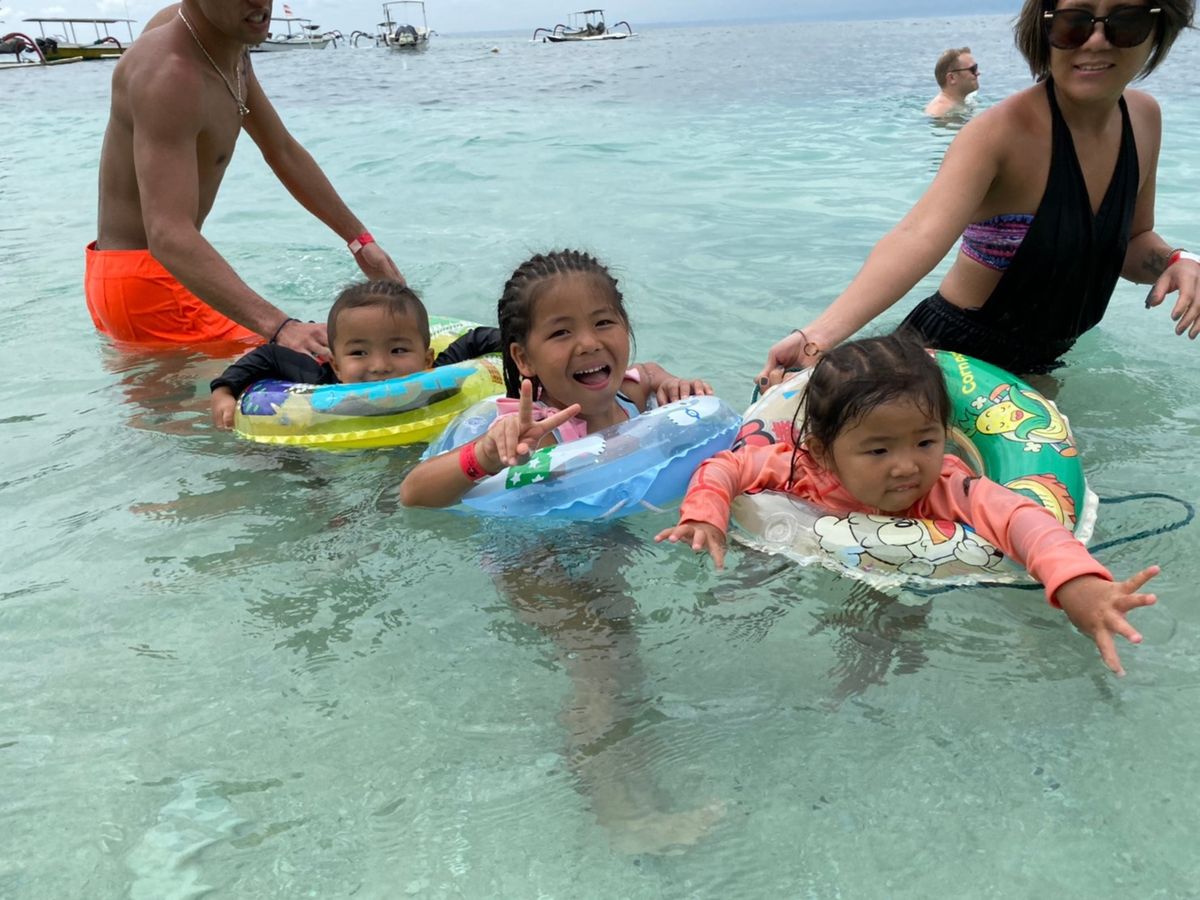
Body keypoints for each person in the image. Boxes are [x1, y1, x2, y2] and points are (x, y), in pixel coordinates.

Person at [665, 334, 1159, 676]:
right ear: (823, 451)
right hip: (798, 544)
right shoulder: (799, 467)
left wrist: (1076, 583)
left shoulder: (948, 485)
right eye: (879, 451)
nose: (906, 467)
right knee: (742, 594)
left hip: (908, 574)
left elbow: (1023, 520)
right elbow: (725, 467)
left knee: (894, 641)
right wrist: (705, 514)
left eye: (925, 442)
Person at [760, 0, 1199, 382]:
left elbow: (1131, 242)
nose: (1097, 41)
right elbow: (917, 236)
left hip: (1042, 362)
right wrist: (817, 337)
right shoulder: (999, 133)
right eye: (1073, 23)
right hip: (950, 361)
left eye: (1126, 22)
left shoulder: (1143, 119)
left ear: (1159, 29)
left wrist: (1178, 261)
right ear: (1043, 30)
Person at [86, 1, 403, 355]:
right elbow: (167, 235)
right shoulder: (169, 73)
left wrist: (359, 240)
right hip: (147, 284)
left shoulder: (227, 39)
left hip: (156, 275)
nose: (259, 3)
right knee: (323, 364)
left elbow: (281, 149)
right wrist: (281, 328)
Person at [400, 249, 713, 508]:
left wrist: (671, 382)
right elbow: (413, 493)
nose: (589, 343)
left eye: (603, 322)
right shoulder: (536, 435)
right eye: (561, 332)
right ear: (524, 358)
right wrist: (486, 455)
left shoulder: (634, 391)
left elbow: (650, 371)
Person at [209, 280, 499, 428]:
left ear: (426, 359)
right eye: (359, 352)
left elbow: (475, 339)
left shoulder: (441, 374)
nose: (379, 366)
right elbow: (270, 356)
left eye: (398, 350)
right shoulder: (323, 382)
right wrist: (224, 390)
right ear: (335, 365)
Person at [924, 46, 981, 117]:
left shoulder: (963, 102)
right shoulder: (939, 112)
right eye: (973, 69)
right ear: (952, 78)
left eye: (976, 67)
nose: (978, 73)